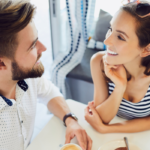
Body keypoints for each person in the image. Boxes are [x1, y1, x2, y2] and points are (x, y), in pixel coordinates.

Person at [0, 0, 92, 150]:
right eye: (32, 46)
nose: (43, 48)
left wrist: (70, 119)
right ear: (1, 63)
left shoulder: (28, 77)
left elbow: (49, 92)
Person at [84, 0, 150, 133]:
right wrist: (119, 87)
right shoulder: (99, 62)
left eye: (120, 37)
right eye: (110, 29)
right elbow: (101, 119)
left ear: (145, 50)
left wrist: (107, 129)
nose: (106, 41)